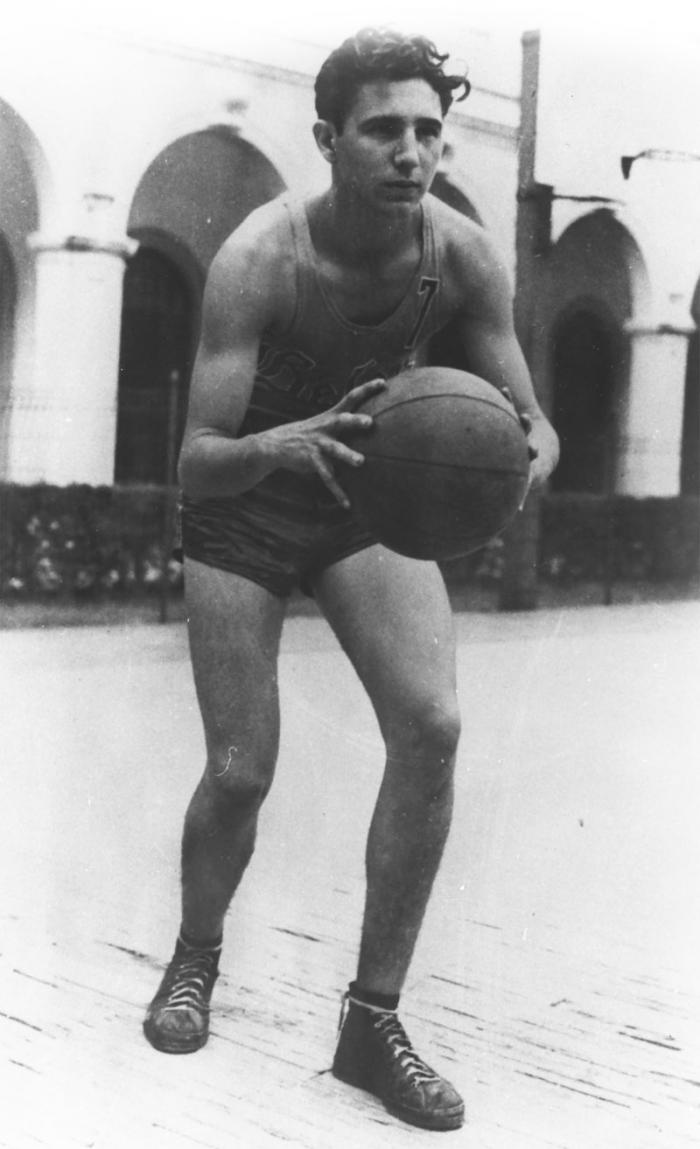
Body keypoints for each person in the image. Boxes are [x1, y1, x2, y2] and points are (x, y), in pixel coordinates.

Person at [143, 27, 559, 1132]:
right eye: (384, 129)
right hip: (244, 503)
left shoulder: (463, 253)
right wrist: (278, 444)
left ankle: (371, 1023)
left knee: (432, 725)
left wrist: (525, 454)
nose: (412, 152)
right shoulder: (257, 257)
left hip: (360, 505)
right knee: (240, 772)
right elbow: (194, 459)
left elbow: (526, 414)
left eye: (429, 129)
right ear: (329, 138)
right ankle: (194, 959)